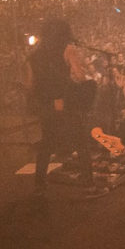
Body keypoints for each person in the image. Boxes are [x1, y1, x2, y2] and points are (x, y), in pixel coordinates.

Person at [22, 18, 104, 198]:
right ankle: (89, 187)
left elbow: (29, 86)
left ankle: (39, 187)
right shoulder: (68, 50)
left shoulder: (33, 57)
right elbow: (79, 76)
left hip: (46, 105)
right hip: (66, 103)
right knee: (81, 144)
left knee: (46, 145)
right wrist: (88, 78)